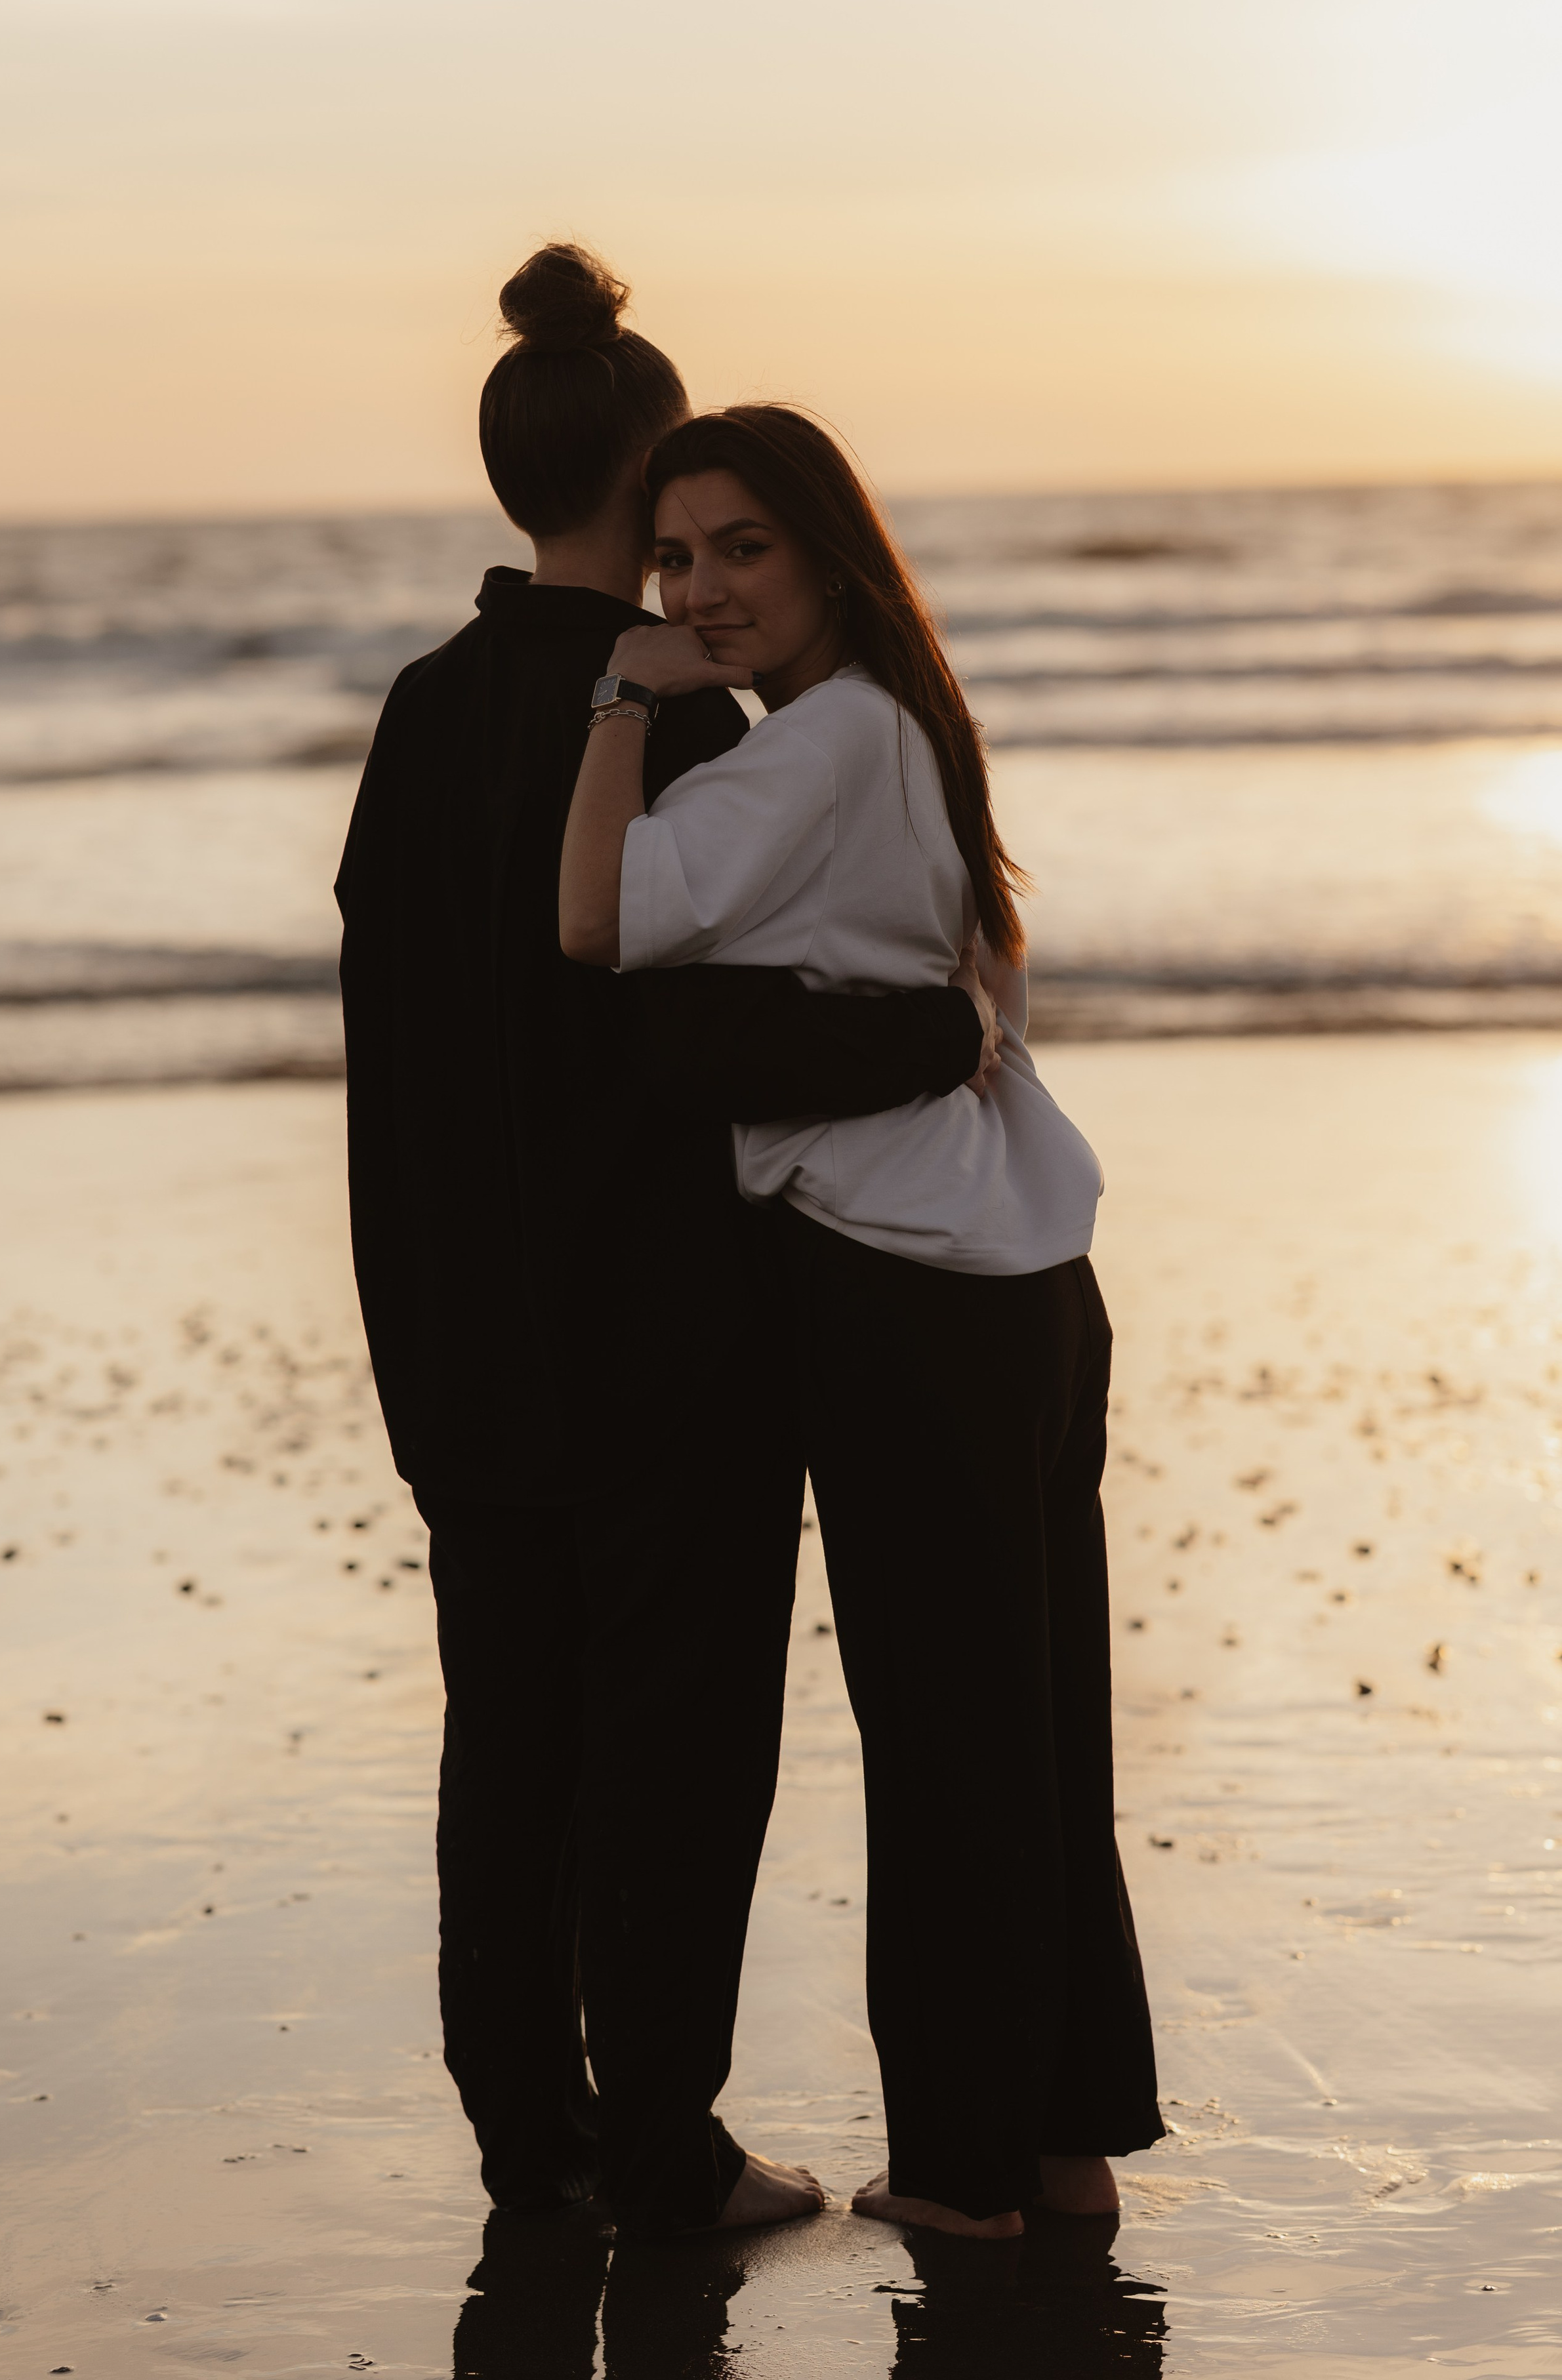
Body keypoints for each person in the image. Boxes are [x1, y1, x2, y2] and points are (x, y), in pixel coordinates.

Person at [335, 250, 995, 2240]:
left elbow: (389, 1051)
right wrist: (945, 1026)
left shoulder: (422, 715)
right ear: (650, 474)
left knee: (506, 1749)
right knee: (677, 1764)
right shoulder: (684, 725)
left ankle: (527, 2148)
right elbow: (715, 1032)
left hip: (458, 1335)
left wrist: (413, 1320)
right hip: (664, 1344)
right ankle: (667, 2149)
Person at [559, 403, 1166, 2240]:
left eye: (741, 548)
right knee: (1038, 1727)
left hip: (908, 1293)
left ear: (826, 547)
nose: (700, 590)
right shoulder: (911, 727)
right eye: (673, 558)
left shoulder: (813, 749)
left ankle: (978, 2172)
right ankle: (1061, 2148)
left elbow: (591, 917)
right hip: (1030, 1285)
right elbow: (982, 998)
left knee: (948, 1732)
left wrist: (614, 690)